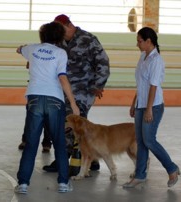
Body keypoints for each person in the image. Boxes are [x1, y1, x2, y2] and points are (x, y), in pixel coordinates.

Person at [14, 22, 80, 194]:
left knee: (31, 143)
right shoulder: (60, 53)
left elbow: (19, 49)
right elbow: (62, 78)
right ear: (59, 37)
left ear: (42, 35)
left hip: (34, 99)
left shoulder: (32, 49)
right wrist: (72, 103)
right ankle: (63, 183)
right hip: (55, 100)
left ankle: (23, 184)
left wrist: (22, 49)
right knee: (58, 142)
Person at [42, 14, 110, 173]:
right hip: (60, 91)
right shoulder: (57, 41)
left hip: (82, 92)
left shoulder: (88, 39)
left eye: (59, 28)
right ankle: (89, 160)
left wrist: (98, 85)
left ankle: (72, 160)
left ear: (68, 25)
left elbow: (103, 62)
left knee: (77, 126)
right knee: (64, 125)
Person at [123, 27, 180, 188]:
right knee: (141, 142)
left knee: (149, 140)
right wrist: (134, 103)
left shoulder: (156, 60)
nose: (137, 44)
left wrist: (148, 109)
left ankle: (171, 168)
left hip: (153, 106)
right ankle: (140, 175)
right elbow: (141, 83)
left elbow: (153, 86)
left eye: (140, 41)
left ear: (149, 41)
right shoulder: (143, 57)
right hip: (141, 104)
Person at [18, 62, 52, 153]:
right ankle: (26, 140)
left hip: (50, 89)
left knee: (48, 117)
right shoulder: (36, 50)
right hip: (35, 88)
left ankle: (47, 143)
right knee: (31, 116)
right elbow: (28, 65)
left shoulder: (57, 52)